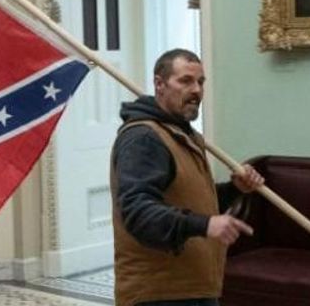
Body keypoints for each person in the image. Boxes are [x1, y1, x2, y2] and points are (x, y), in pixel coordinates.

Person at [110, 49, 265, 306]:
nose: (196, 90)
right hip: (160, 294)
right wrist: (205, 225)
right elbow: (138, 213)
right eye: (185, 81)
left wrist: (234, 189)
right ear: (159, 84)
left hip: (193, 287)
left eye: (200, 82)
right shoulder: (144, 138)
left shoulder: (184, 134)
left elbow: (189, 199)